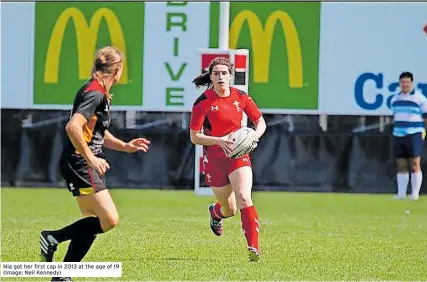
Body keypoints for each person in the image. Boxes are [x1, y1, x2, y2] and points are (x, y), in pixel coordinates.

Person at [40, 46, 150, 281]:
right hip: (80, 164)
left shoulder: (98, 91)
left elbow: (97, 133)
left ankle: (61, 276)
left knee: (92, 222)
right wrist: (91, 158)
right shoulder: (95, 93)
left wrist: (126, 146)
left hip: (81, 162)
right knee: (109, 219)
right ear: (117, 70)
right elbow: (72, 127)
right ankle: (53, 237)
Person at [189, 57, 267, 262]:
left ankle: (253, 248)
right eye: (216, 73)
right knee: (229, 210)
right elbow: (194, 136)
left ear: (230, 75)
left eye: (224, 73)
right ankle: (215, 213)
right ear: (211, 76)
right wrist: (218, 140)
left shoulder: (241, 97)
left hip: (238, 156)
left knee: (244, 197)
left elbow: (260, 122)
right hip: (214, 160)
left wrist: (253, 137)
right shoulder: (202, 102)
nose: (221, 76)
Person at [391, 71, 427, 200]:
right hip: (398, 134)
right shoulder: (395, 99)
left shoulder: (420, 98)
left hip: (414, 134)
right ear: (399, 83)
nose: (405, 84)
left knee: (414, 163)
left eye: (407, 82)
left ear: (412, 83)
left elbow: (425, 116)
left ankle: (415, 194)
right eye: (402, 82)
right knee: (401, 164)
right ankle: (401, 194)